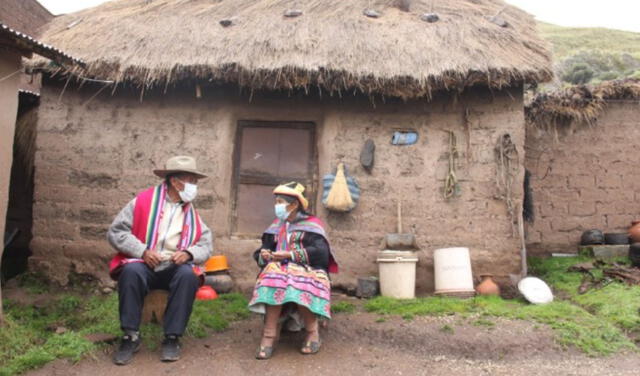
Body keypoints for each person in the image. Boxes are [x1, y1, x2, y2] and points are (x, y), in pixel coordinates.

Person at [107, 156, 213, 365]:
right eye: (191, 180)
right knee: (131, 273)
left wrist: (189, 254)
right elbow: (116, 232)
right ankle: (130, 336)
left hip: (173, 266)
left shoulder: (191, 212)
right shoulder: (142, 202)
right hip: (144, 264)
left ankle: (172, 338)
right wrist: (142, 251)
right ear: (175, 182)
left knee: (187, 276)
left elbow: (206, 245)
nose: (195, 186)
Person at [248, 182, 338, 359]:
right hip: (279, 270)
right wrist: (264, 254)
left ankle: (313, 332)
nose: (277, 206)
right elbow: (262, 250)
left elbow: (321, 253)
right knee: (272, 279)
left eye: (280, 202)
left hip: (309, 269)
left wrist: (290, 255)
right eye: (276, 202)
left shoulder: (312, 226)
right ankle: (269, 335)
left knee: (297, 282)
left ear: (294, 204)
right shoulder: (275, 227)